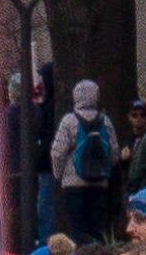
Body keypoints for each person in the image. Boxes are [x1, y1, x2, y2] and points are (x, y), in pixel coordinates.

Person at [47, 80, 124, 244]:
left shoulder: (69, 121)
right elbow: (114, 152)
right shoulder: (105, 121)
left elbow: (58, 152)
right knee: (96, 229)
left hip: (73, 184)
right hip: (99, 183)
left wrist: (60, 174)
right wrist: (104, 170)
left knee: (77, 230)